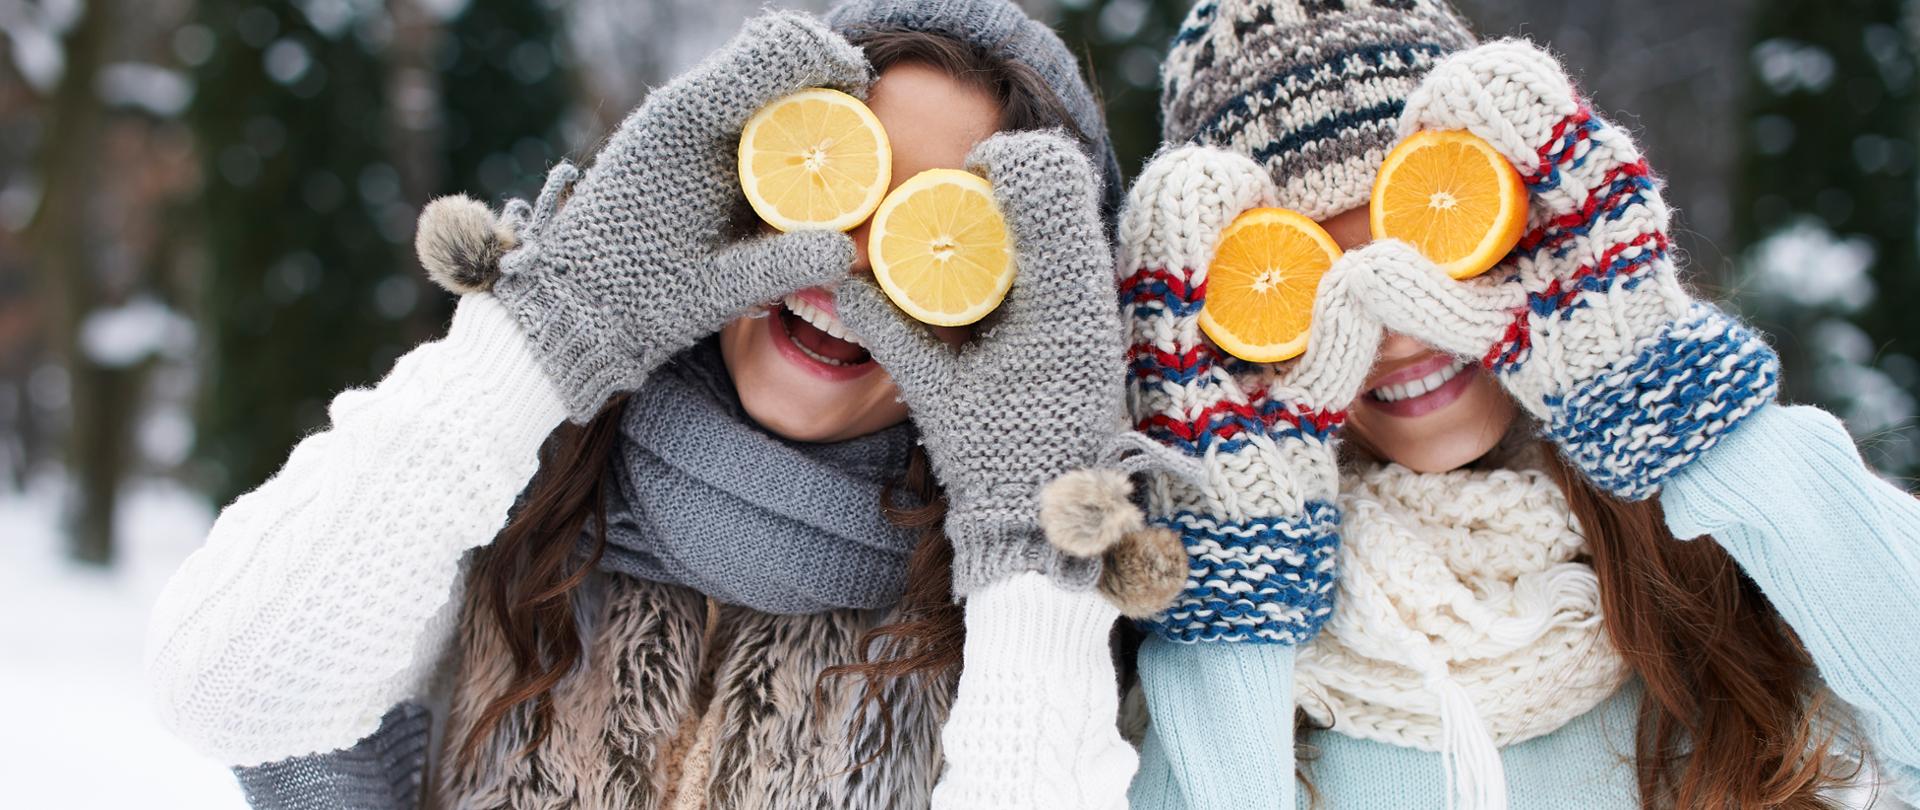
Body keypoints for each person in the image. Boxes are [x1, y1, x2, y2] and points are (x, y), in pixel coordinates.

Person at [144, 3, 1143, 807]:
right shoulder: (513, 473)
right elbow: (227, 695)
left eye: (936, 238)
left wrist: (1032, 541)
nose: (840, 274)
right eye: (826, 183)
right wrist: (547, 333)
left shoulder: (1038, 634)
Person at [1109, 1, 1920, 808]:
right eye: (1315, 282)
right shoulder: (1229, 663)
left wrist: (1666, 398)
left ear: (1527, 230)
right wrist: (1234, 565)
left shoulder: (1738, 558)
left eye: (1431, 245)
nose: (1392, 327)